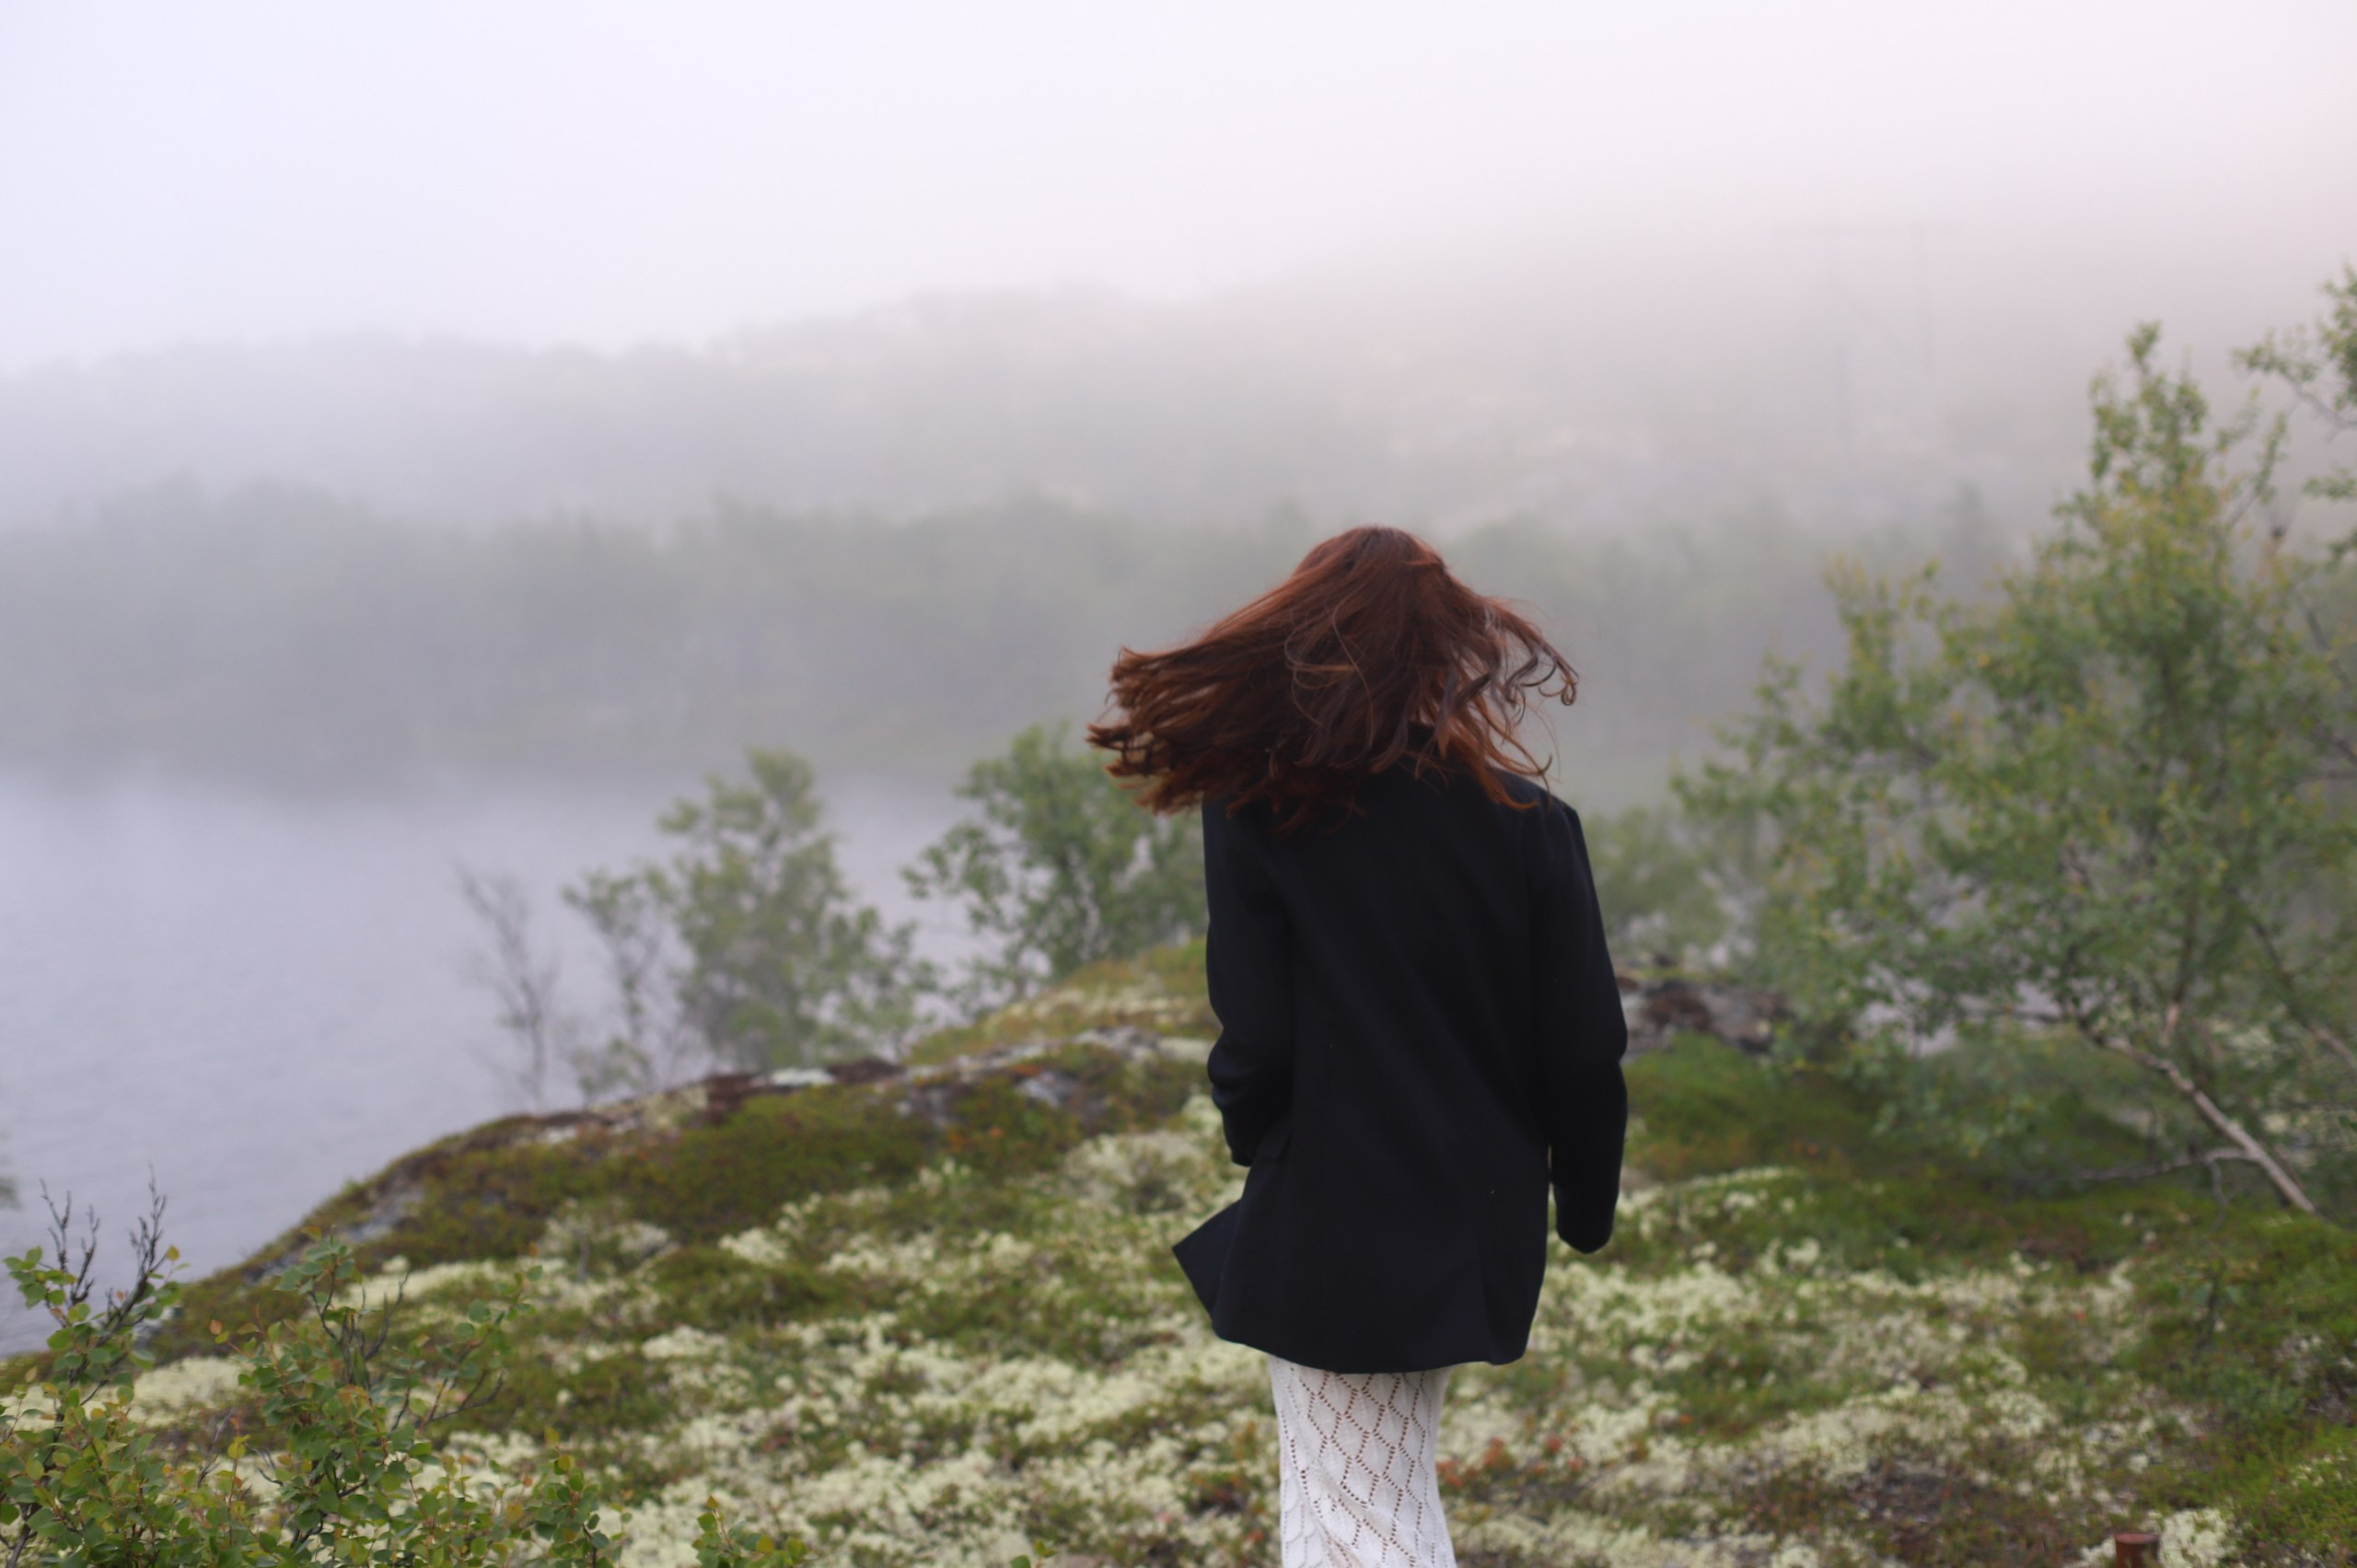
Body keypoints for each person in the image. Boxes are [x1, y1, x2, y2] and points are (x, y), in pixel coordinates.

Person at [1089, 526, 1629, 1568]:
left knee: (1355, 1514)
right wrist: (1585, 1208)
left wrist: (1266, 1147)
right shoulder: (1530, 822)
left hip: (1333, 1214)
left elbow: (1253, 1036)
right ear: (1442, 649)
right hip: (1473, 1226)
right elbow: (1582, 1051)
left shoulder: (1260, 809)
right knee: (1351, 1495)